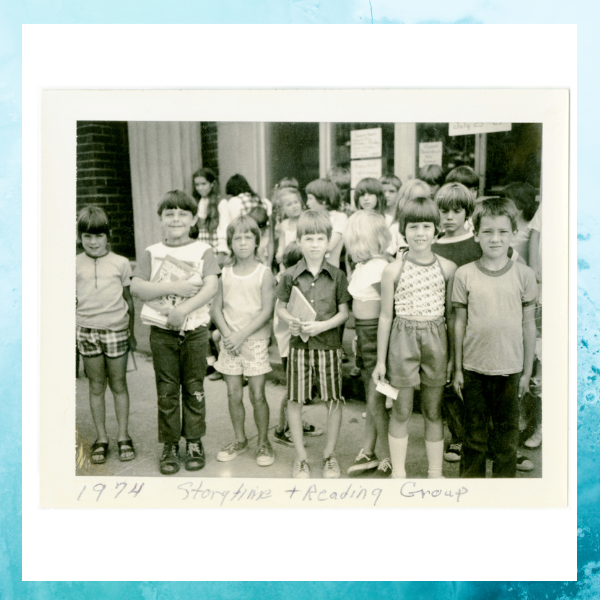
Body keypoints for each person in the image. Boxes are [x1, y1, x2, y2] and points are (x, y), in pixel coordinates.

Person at [131, 190, 220, 475]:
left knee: (194, 387)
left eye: (183, 214)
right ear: (160, 219)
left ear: (193, 219)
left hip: (194, 332)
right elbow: (137, 287)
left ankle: (194, 441)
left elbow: (211, 287)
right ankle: (169, 443)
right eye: (169, 214)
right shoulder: (152, 252)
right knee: (167, 391)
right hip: (162, 333)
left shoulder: (203, 251)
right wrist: (174, 289)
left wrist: (184, 308)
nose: (176, 219)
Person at [373, 197, 457, 479]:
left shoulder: (447, 268)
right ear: (403, 230)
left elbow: (451, 316)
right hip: (402, 340)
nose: (420, 233)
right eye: (413, 226)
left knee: (433, 411)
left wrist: (453, 360)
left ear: (436, 230)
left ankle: (435, 473)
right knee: (401, 409)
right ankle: (399, 473)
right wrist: (380, 361)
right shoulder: (393, 270)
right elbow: (386, 316)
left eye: (426, 226)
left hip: (436, 340)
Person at [453, 197, 537, 478]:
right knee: (474, 439)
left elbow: (528, 326)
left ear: (514, 235)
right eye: (487, 231)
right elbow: (459, 323)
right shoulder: (464, 275)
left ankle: (503, 498)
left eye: (503, 232)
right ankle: (471, 494)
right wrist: (457, 369)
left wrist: (527, 372)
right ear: (476, 234)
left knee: (506, 440)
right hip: (474, 370)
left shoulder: (524, 275)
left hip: (511, 371)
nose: (495, 239)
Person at [276, 210, 351, 479]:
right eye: (309, 238)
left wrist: (322, 326)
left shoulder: (338, 275)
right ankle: (301, 458)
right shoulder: (289, 275)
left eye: (321, 238)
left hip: (329, 346)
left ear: (329, 240)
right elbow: (281, 309)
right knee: (295, 400)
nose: (315, 244)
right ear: (299, 241)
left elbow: (344, 313)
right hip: (299, 347)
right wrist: (291, 321)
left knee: (333, 400)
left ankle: (329, 455)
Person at [211, 216, 276, 467]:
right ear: (230, 242)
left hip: (255, 341)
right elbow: (216, 309)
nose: (242, 242)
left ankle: (263, 441)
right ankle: (240, 439)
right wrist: (229, 335)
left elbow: (266, 311)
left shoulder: (264, 273)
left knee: (258, 395)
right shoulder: (224, 273)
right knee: (232, 393)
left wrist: (241, 335)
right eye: (237, 238)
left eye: (248, 237)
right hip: (230, 342)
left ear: (256, 241)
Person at [76, 206, 136, 464]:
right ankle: (102, 437)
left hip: (116, 330)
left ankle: (123, 435)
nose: (93, 241)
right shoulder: (73, 264)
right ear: (80, 237)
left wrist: (130, 333)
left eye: (98, 236)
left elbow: (128, 300)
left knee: (119, 384)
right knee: (96, 386)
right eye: (87, 236)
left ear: (108, 235)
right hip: (87, 331)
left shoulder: (121, 263)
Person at [343, 211, 393, 478]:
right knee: (371, 398)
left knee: (376, 399)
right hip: (364, 336)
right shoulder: (364, 266)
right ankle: (369, 448)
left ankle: (386, 456)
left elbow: (389, 309)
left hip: (376, 338)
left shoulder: (377, 268)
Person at [272, 241, 323, 446]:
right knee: (294, 392)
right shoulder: (289, 289)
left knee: (301, 390)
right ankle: (281, 429)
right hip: (291, 349)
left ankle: (296, 421)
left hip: (300, 347)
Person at [306, 178, 348, 268]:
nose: (307, 203)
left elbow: (329, 246)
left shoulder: (339, 217)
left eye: (310, 199)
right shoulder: (311, 217)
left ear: (323, 200)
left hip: (329, 272)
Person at [192, 167, 230, 267]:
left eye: (204, 184)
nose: (200, 188)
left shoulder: (221, 203)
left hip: (216, 249)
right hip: (200, 249)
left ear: (212, 184)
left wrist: (221, 253)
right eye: (197, 185)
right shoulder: (196, 202)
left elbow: (224, 229)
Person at [389, 179, 432, 256]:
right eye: (416, 202)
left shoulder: (431, 227)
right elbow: (387, 255)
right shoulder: (396, 228)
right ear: (403, 202)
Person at [503, 182, 539, 264]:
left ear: (522, 204)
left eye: (508, 201)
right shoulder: (505, 223)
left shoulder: (530, 229)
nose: (504, 205)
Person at [274, 187, 304, 269]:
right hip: (288, 261)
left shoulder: (306, 220)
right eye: (289, 204)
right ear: (282, 209)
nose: (294, 206)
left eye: (296, 202)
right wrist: (279, 253)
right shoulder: (284, 225)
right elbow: (282, 245)